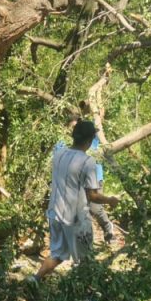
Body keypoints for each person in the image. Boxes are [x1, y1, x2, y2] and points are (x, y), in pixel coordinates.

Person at [34, 120, 120, 279]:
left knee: (57, 254)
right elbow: (92, 195)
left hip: (54, 214)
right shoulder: (88, 162)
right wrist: (110, 200)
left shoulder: (58, 154)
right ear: (89, 140)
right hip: (75, 219)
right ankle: (87, 299)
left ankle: (34, 280)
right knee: (85, 260)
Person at [55, 116, 116, 244]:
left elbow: (92, 195)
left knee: (95, 208)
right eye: (72, 126)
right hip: (74, 186)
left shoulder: (89, 155)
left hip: (93, 179)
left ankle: (107, 226)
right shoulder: (61, 146)